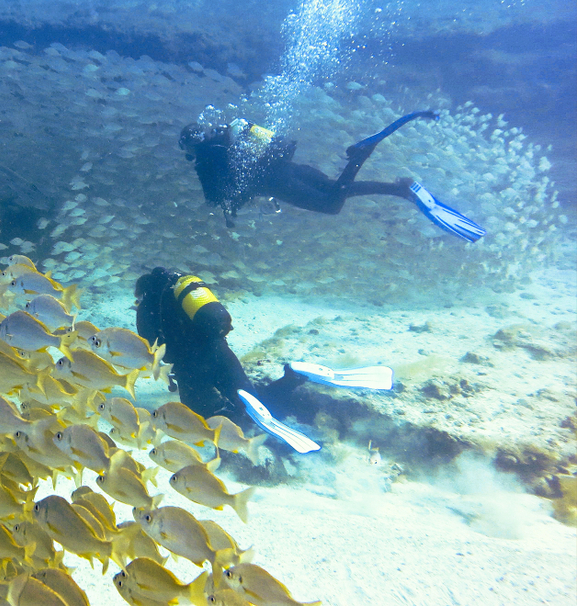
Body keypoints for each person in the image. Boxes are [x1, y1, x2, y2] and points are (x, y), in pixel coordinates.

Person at [135, 266, 392, 453]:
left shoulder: (149, 306)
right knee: (256, 404)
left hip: (192, 369)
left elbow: (153, 350)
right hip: (221, 352)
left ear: (143, 292)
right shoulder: (181, 291)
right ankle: (294, 376)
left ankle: (243, 448)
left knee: (207, 423)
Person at [178, 110, 486, 242]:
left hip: (278, 181)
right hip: (287, 167)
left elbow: (219, 194)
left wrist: (232, 207)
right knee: (338, 188)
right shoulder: (223, 140)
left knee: (331, 204)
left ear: (191, 146)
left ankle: (362, 153)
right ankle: (400, 189)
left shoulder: (206, 158)